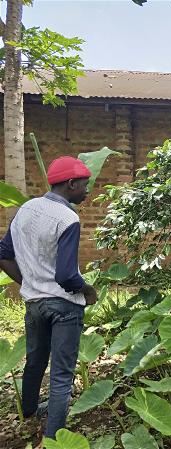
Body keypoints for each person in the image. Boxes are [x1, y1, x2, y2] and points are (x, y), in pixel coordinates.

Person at [0, 156, 98, 439]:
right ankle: (54, 437)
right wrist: (88, 289)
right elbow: (67, 276)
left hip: (34, 304)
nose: (87, 190)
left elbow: (3, 253)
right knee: (62, 374)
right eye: (84, 185)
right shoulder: (68, 217)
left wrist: (28, 281)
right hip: (64, 307)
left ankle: (29, 409)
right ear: (71, 184)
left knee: (35, 359)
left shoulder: (26, 209)